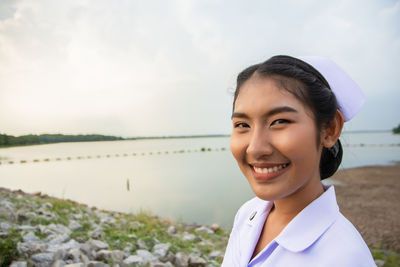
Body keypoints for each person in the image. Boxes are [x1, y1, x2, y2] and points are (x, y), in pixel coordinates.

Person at [222, 55, 376, 266]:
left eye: (279, 121)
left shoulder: (345, 258)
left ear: (330, 129)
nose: (256, 148)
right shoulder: (249, 214)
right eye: (242, 125)